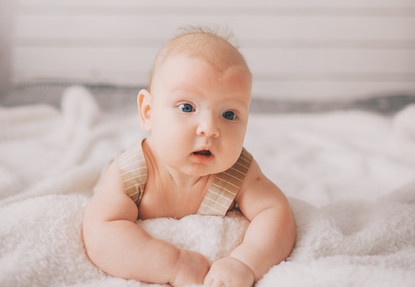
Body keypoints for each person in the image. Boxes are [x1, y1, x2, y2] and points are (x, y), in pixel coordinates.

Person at [82, 28, 296, 286]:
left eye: (229, 114)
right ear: (148, 113)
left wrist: (245, 263)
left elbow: (275, 212)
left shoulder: (238, 172)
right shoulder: (131, 173)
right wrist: (173, 264)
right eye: (187, 107)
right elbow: (101, 231)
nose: (209, 128)